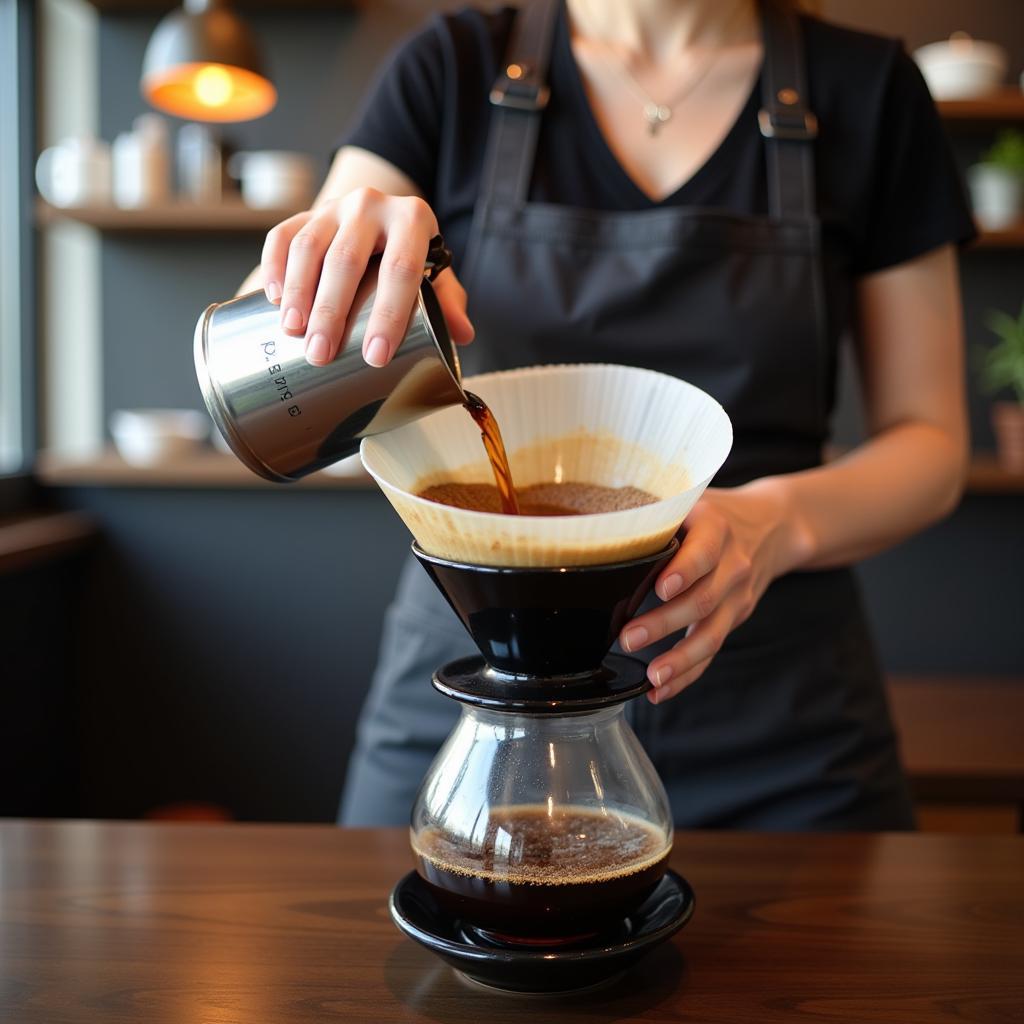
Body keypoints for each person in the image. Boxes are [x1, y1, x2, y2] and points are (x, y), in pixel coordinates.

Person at [242, 0, 973, 829]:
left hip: (778, 711)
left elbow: (933, 443)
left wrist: (779, 521)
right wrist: (338, 268)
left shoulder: (869, 88)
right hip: (480, 702)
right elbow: (277, 381)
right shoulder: (450, 66)